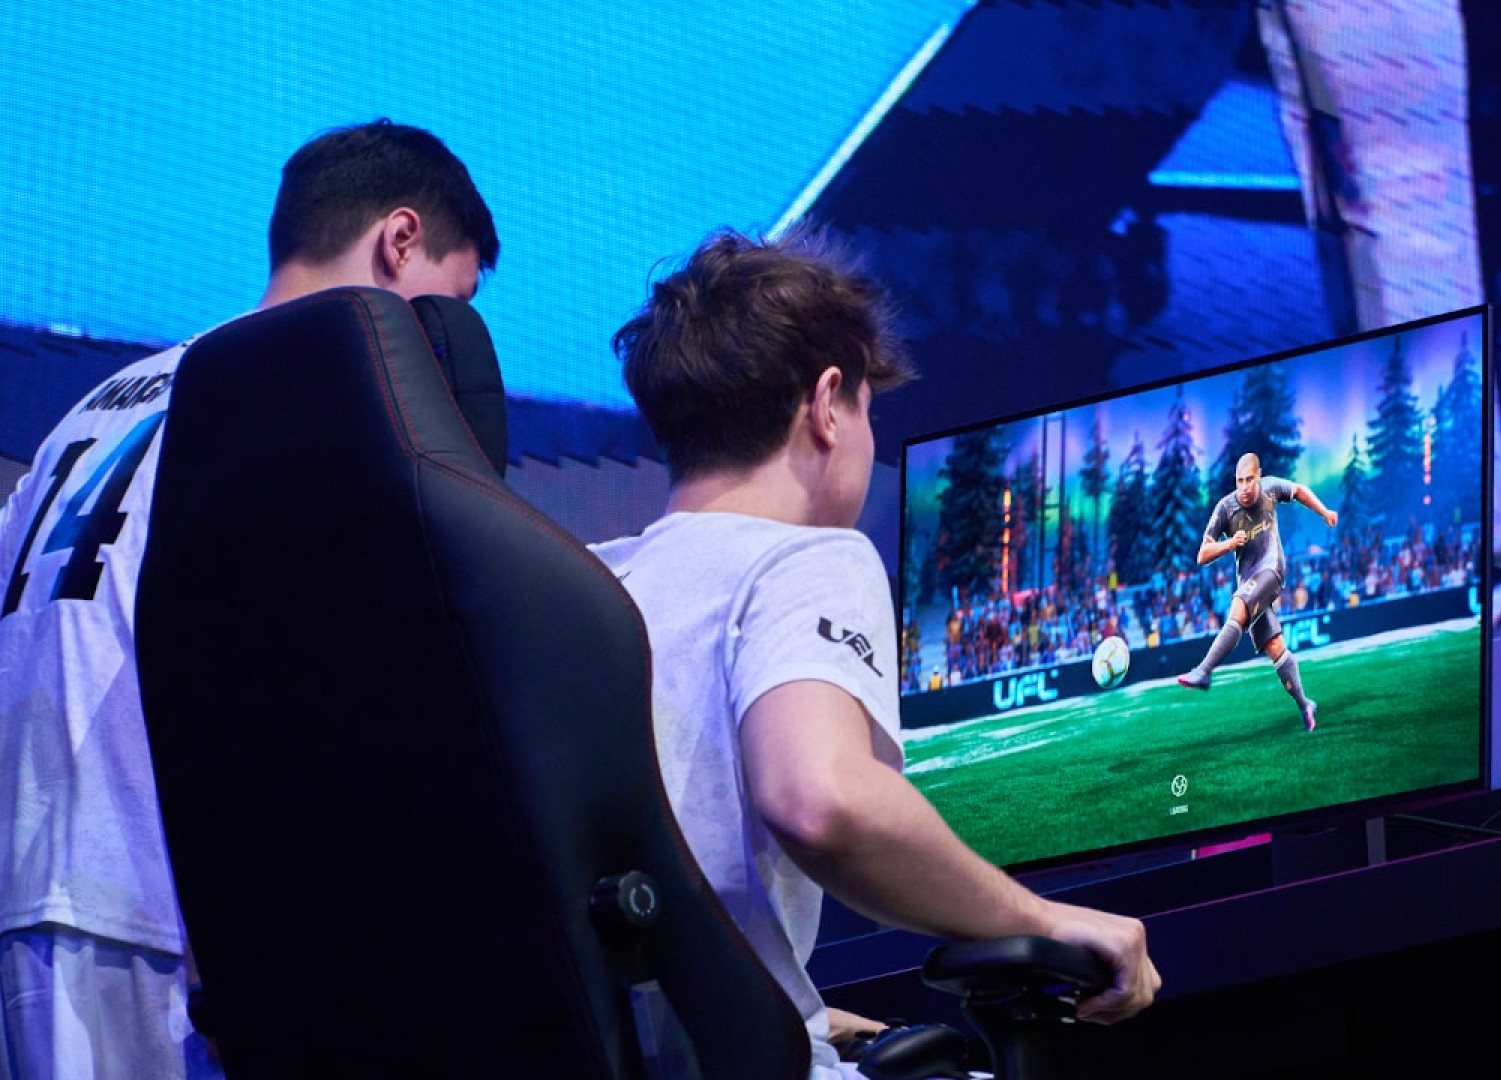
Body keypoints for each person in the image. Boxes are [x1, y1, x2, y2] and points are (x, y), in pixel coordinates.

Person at [590, 224, 1159, 1079]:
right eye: (869, 410)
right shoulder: (805, 556)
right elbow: (821, 801)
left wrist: (798, 1012)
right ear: (827, 404)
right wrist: (1042, 920)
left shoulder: (587, 584)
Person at [0, 118, 497, 1080]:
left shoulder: (104, 401)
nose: (447, 344)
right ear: (400, 241)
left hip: (33, 887)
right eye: (456, 300)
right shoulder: (317, 389)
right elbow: (289, 676)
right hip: (149, 910)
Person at [1175, 452, 1337, 732]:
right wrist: (1228, 544)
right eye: (1240, 481)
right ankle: (1305, 704)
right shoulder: (1225, 508)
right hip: (1249, 580)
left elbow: (1299, 491)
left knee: (1238, 605)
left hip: (1272, 570)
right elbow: (1202, 554)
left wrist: (1324, 512)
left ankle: (1204, 671)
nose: (1245, 487)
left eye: (1249, 479)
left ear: (1258, 476)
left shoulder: (1271, 488)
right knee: (1275, 647)